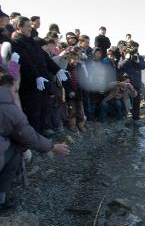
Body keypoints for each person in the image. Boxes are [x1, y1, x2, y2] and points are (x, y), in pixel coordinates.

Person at [0, 71, 70, 213]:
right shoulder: (7, 107)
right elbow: (29, 137)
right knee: (15, 150)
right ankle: (1, 200)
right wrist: (53, 147)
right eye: (15, 90)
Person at [12, 16, 68, 134]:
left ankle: (40, 135)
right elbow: (25, 62)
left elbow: (45, 58)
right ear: (19, 27)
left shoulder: (32, 41)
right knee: (33, 112)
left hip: (42, 82)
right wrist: (36, 76)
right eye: (27, 26)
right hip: (30, 84)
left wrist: (57, 70)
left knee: (43, 109)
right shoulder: (17, 42)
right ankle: (32, 139)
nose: (30, 29)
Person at [118, 41, 145, 120]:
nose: (136, 50)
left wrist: (137, 61)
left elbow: (144, 66)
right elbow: (119, 67)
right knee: (126, 103)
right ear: (129, 48)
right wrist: (127, 59)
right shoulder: (125, 56)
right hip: (127, 84)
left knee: (136, 103)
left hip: (136, 83)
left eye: (137, 48)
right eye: (134, 48)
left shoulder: (139, 57)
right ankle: (125, 118)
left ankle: (136, 119)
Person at [64, 51, 87, 132]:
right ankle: (72, 125)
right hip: (70, 94)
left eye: (77, 59)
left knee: (80, 109)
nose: (76, 61)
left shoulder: (80, 67)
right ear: (69, 60)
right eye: (74, 59)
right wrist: (69, 91)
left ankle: (81, 125)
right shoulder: (65, 69)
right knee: (72, 110)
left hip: (79, 93)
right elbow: (65, 82)